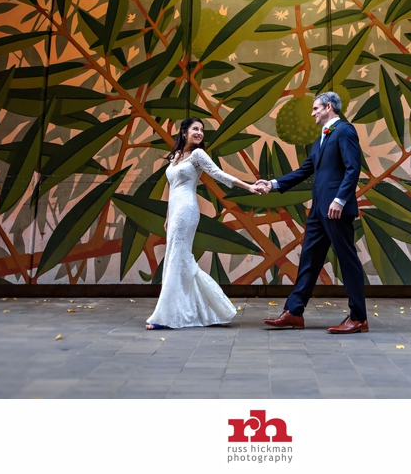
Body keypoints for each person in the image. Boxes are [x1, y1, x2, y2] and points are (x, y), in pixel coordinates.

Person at [254, 91, 369, 334]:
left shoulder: (345, 130)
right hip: (318, 210)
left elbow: (353, 168)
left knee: (347, 261)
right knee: (309, 260)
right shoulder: (320, 141)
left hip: (335, 208)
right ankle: (294, 313)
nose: (312, 112)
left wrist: (340, 199)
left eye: (316, 108)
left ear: (329, 107)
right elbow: (304, 170)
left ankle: (359, 318)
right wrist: (273, 184)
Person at [145, 117, 262, 330]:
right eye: (195, 129)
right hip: (175, 211)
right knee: (178, 258)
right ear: (184, 132)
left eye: (202, 130)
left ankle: (164, 315)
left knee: (176, 257)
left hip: (187, 209)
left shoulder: (198, 155)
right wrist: (167, 216)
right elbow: (171, 188)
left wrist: (249, 187)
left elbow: (219, 174)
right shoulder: (176, 156)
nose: (199, 133)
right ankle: (202, 309)